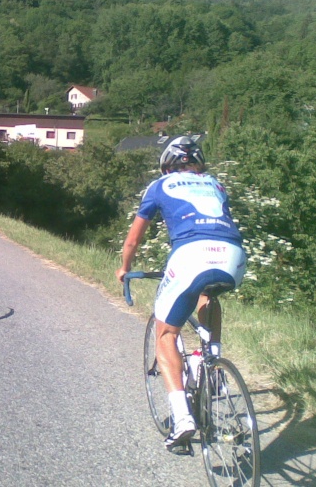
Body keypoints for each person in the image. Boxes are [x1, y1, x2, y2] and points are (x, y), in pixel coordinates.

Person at [115, 136, 246, 452]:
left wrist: (124, 267)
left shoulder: (160, 185)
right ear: (199, 163)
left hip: (190, 256)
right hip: (233, 256)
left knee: (166, 334)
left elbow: (133, 240)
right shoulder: (215, 183)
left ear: (166, 165)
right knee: (207, 293)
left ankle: (182, 417)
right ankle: (208, 359)